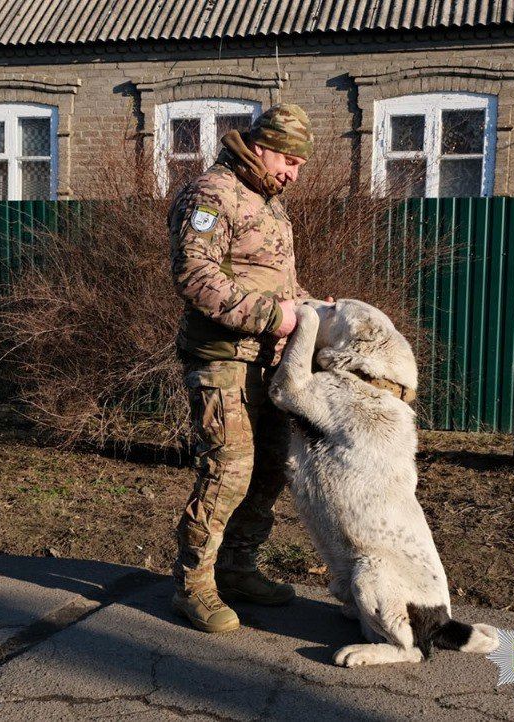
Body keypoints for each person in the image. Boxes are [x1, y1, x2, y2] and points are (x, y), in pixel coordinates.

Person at [167, 103, 320, 633]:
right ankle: (194, 584)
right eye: (289, 160)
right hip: (222, 361)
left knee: (270, 469)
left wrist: (314, 311)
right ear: (260, 147)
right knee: (227, 472)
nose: (294, 173)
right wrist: (273, 317)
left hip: (269, 365)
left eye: (299, 165)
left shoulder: (270, 204)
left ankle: (236, 567)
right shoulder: (211, 195)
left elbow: (278, 283)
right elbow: (194, 275)